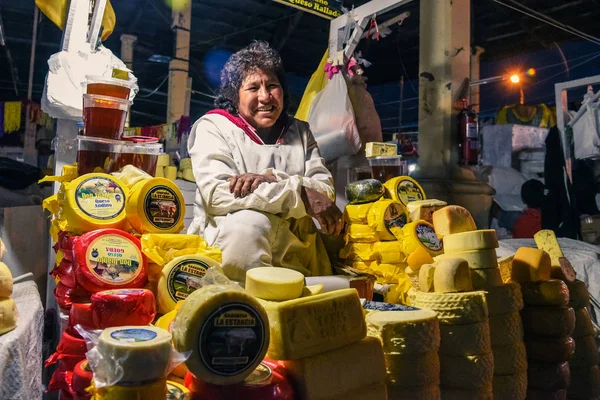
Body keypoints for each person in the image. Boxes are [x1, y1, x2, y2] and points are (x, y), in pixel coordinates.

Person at [187, 41, 344, 284]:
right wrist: (300, 194)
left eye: (272, 85)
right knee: (248, 222)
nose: (264, 96)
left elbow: (324, 192)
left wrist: (271, 179)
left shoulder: (299, 130)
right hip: (235, 253)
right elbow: (218, 194)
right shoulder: (213, 127)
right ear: (234, 95)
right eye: (252, 87)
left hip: (298, 254)